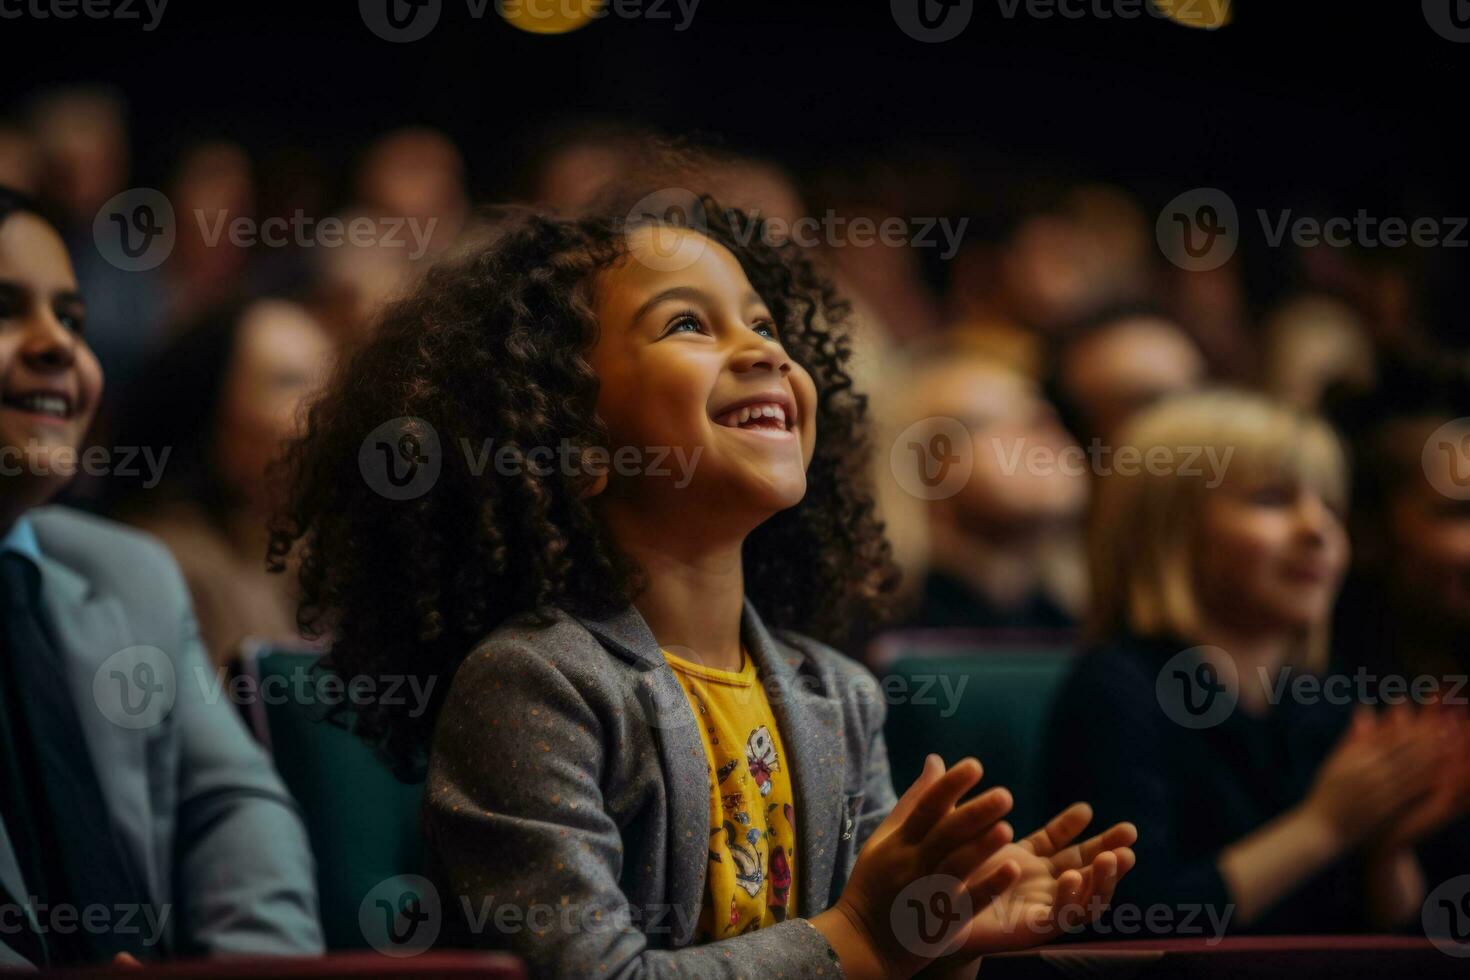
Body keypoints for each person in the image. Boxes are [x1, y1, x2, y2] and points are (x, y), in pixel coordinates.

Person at [271, 196, 1137, 978]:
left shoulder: (838, 693)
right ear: (572, 442)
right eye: (689, 324)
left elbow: (876, 964)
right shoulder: (536, 686)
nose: (763, 348)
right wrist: (866, 933)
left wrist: (943, 938)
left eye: (764, 324)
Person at [0, 186, 322, 967]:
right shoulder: (177, 549)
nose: (56, 346)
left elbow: (229, 807)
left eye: (72, 321)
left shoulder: (128, 574)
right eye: (6, 309)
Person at [1044, 389, 1470, 935]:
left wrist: (1384, 850)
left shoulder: (1328, 697)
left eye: (1330, 508)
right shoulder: (1115, 691)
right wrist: (1323, 827)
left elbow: (1391, 936)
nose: (1318, 532)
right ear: (1168, 532)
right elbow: (1130, 919)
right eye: (1272, 499)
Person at [104, 297, 334, 668]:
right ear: (213, 411)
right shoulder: (163, 565)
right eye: (290, 381)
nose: (326, 408)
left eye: (331, 382)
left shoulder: (315, 561)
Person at [897, 346, 1087, 631]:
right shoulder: (886, 633)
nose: (1041, 433)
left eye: (1039, 416)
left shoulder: (1084, 625)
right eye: (981, 422)